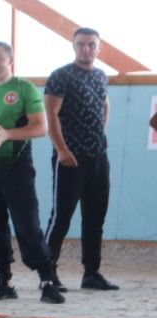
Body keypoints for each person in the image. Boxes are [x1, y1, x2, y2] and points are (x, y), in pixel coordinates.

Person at [0, 42, 63, 304]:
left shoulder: (24, 88)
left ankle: (46, 280)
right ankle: (4, 281)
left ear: (10, 60)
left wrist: (8, 134)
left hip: (17, 167)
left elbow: (40, 128)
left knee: (27, 226)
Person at [43, 28, 117, 291]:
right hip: (69, 158)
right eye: (81, 44)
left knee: (95, 216)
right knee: (61, 216)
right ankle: (47, 272)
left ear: (99, 48)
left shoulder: (100, 75)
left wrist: (98, 136)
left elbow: (104, 105)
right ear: (73, 46)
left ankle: (91, 273)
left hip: (97, 156)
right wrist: (62, 149)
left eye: (91, 45)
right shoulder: (61, 76)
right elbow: (50, 115)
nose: (86, 49)